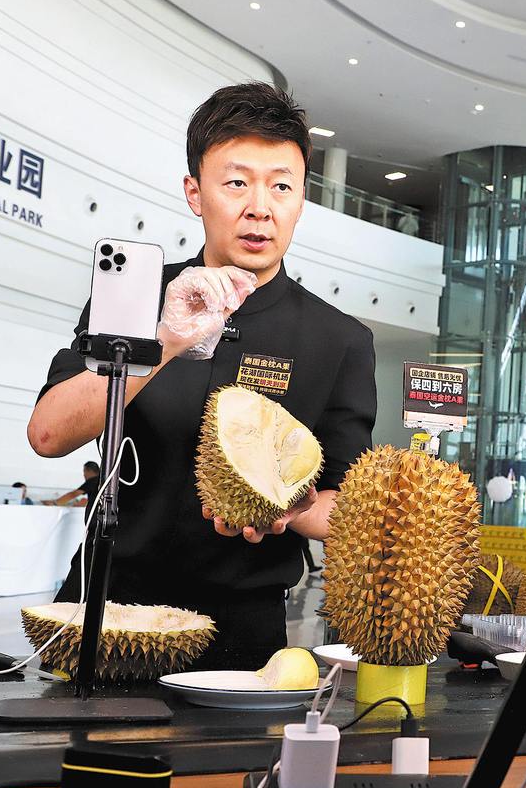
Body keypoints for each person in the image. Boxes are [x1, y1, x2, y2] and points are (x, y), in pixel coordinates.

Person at [27, 82, 376, 670]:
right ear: (195, 193)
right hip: (109, 607)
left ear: (301, 200)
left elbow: (345, 503)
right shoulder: (134, 299)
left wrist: (289, 509)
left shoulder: (339, 339)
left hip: (242, 629)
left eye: (282, 186)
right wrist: (167, 337)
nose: (260, 207)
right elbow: (48, 434)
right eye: (236, 183)